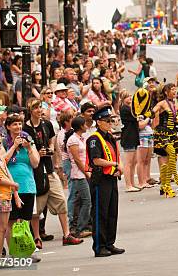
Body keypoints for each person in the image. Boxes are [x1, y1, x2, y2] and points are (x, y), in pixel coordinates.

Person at [24, 98, 82, 247]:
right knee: (37, 208)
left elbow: (52, 142)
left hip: (49, 169)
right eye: (36, 108)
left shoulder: (47, 124)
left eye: (40, 107)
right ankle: (36, 238)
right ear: (30, 110)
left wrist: (53, 156)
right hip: (35, 172)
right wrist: (37, 152)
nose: (39, 110)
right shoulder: (26, 128)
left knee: (61, 201)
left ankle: (66, 234)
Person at [86, 105, 125, 257]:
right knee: (100, 213)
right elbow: (96, 160)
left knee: (112, 212)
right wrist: (114, 165)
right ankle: (99, 246)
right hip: (100, 180)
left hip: (111, 179)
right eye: (107, 120)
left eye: (111, 120)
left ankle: (109, 243)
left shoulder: (109, 137)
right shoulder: (94, 139)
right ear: (99, 122)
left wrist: (119, 166)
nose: (110, 123)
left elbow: (116, 156)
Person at [4, 115, 40, 255]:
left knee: (25, 221)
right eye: (14, 124)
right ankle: (14, 252)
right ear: (8, 127)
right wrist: (14, 146)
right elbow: (3, 161)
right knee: (11, 222)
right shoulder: (3, 142)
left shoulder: (28, 141)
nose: (18, 127)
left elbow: (35, 163)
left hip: (28, 186)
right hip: (11, 187)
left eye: (20, 124)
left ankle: (25, 252)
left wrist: (29, 147)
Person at [152, 83, 178, 197]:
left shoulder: (174, 103)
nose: (174, 91)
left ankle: (164, 186)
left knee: (171, 159)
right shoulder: (162, 103)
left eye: (175, 89)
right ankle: (175, 181)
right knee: (171, 153)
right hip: (162, 133)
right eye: (172, 89)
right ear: (166, 92)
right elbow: (153, 111)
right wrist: (147, 114)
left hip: (172, 134)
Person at [66, 116, 93, 238]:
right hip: (79, 174)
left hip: (84, 172)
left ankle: (80, 226)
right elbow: (76, 159)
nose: (87, 126)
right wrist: (86, 172)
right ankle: (80, 227)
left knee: (83, 200)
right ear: (81, 126)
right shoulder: (73, 140)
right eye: (85, 124)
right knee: (86, 201)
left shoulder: (80, 138)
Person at [119, 91, 140, 192]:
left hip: (134, 136)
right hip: (128, 137)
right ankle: (128, 184)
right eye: (128, 97)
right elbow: (136, 116)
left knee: (134, 161)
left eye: (131, 96)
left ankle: (132, 183)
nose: (130, 98)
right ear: (123, 99)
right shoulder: (125, 109)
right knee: (128, 162)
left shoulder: (130, 108)